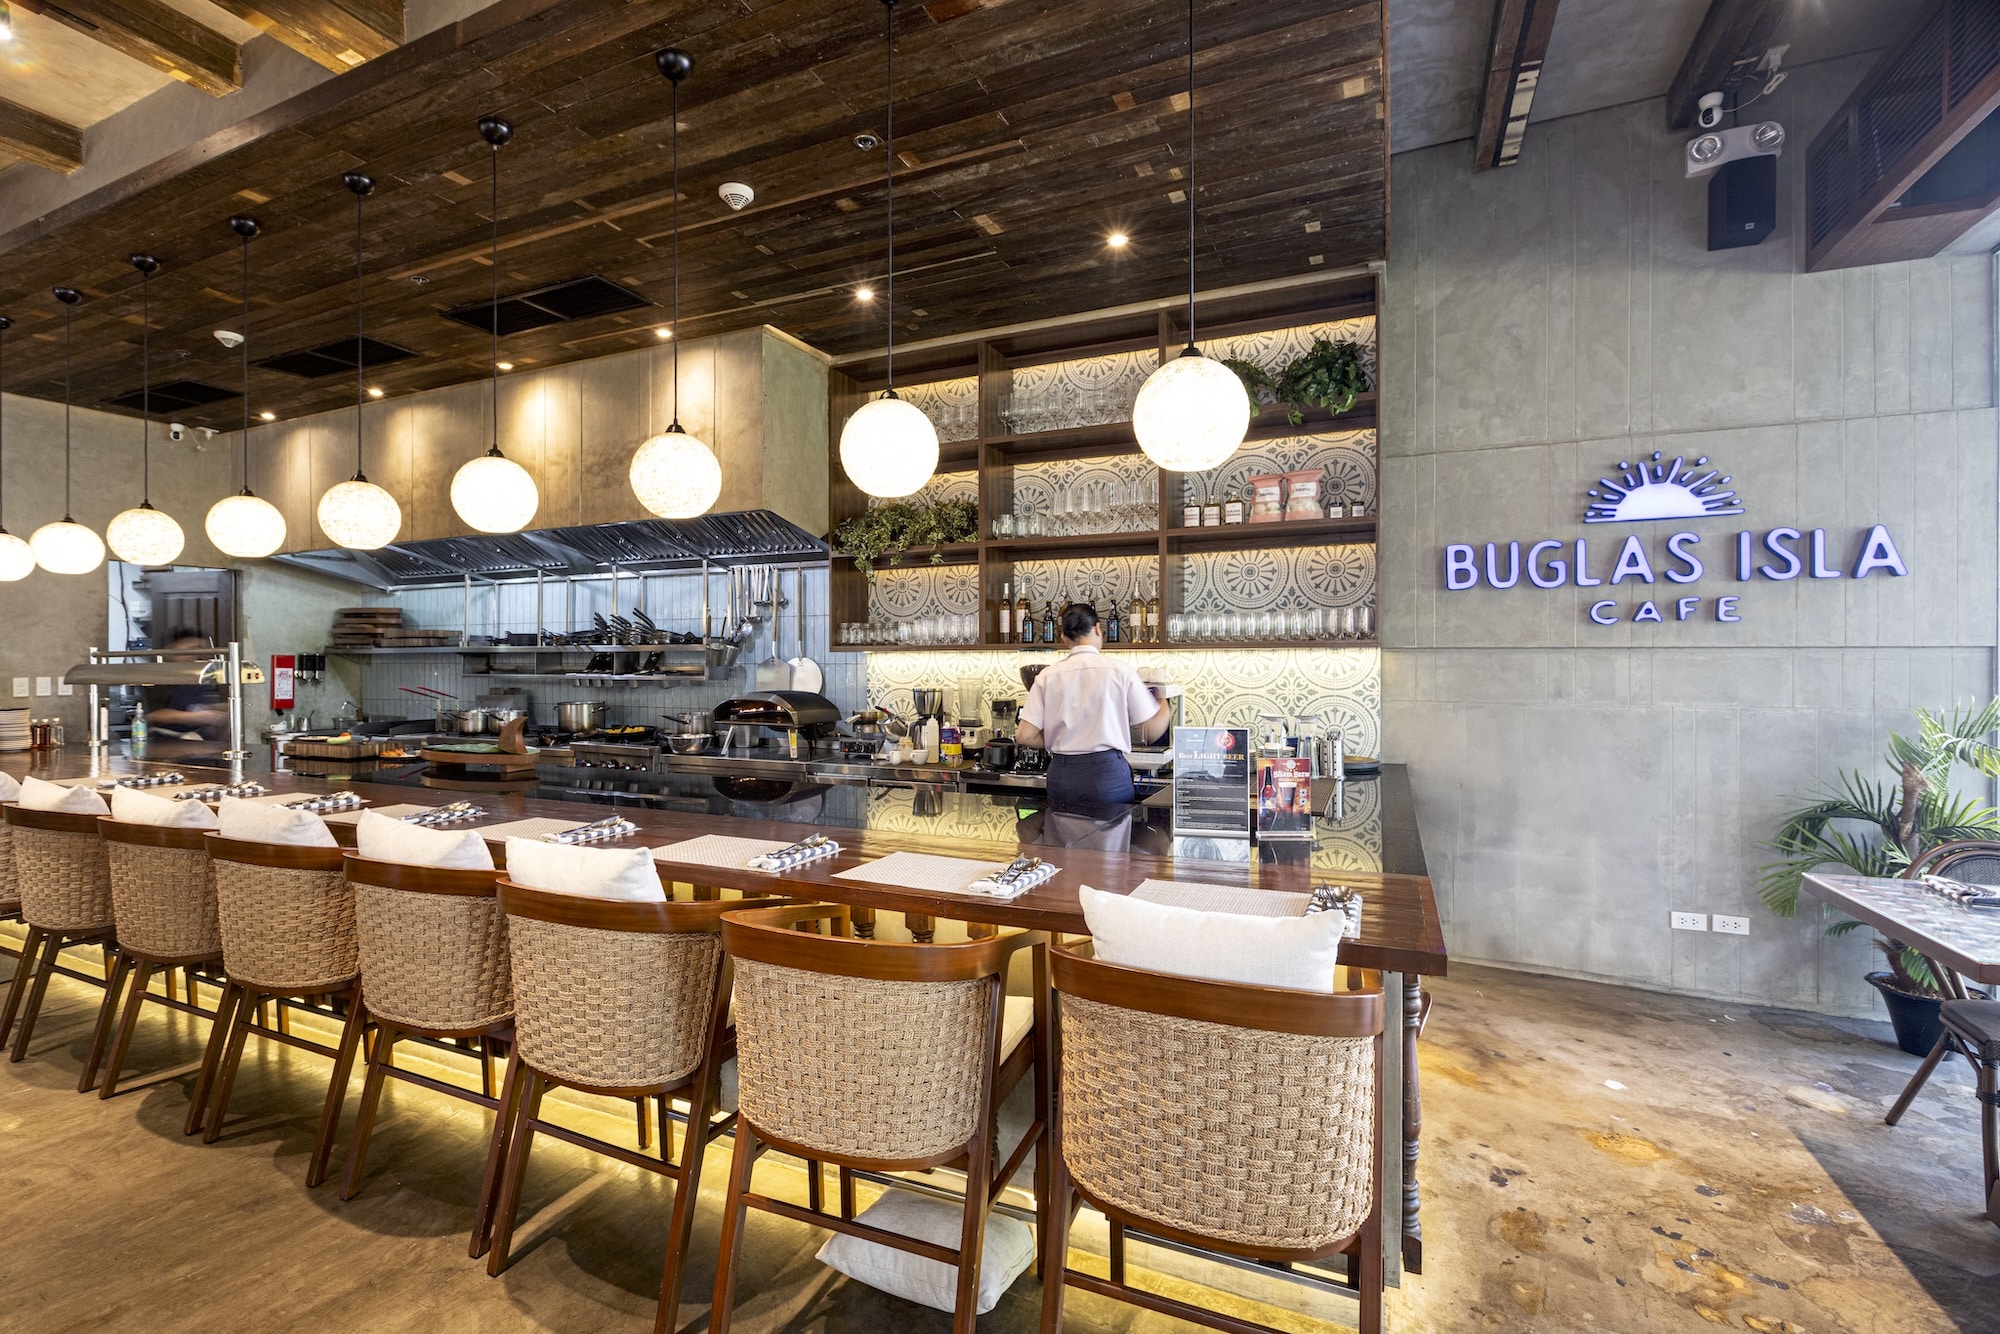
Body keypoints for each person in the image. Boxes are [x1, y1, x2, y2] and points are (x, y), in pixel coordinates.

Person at [1017, 603, 1171, 809]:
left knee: (1061, 829)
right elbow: (1152, 730)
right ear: (1098, 629)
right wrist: (1163, 705)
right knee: (1112, 829)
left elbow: (1024, 735)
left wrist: (1056, 738)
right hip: (1107, 776)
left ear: (1064, 638)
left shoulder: (1046, 676)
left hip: (1062, 776)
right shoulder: (1120, 671)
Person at [140, 628, 228, 741]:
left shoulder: (192, 676)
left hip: (195, 739)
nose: (194, 654)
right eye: (191, 648)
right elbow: (152, 715)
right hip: (164, 739)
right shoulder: (157, 677)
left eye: (199, 650)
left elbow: (190, 707)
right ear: (171, 648)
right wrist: (201, 716)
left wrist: (218, 709)